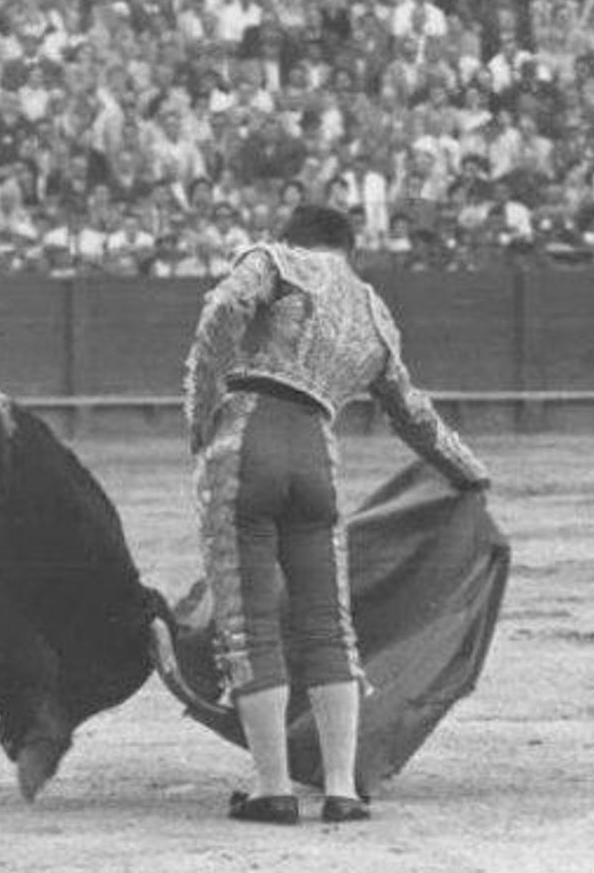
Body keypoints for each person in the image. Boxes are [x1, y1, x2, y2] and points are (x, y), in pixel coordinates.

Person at [180, 205, 490, 825]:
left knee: (251, 624)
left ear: (297, 237)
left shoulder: (274, 259)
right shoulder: (375, 312)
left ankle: (273, 788)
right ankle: (343, 789)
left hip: (248, 442)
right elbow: (414, 414)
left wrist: (202, 407)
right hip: (317, 458)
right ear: (350, 248)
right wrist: (469, 470)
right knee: (329, 626)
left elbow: (221, 311)